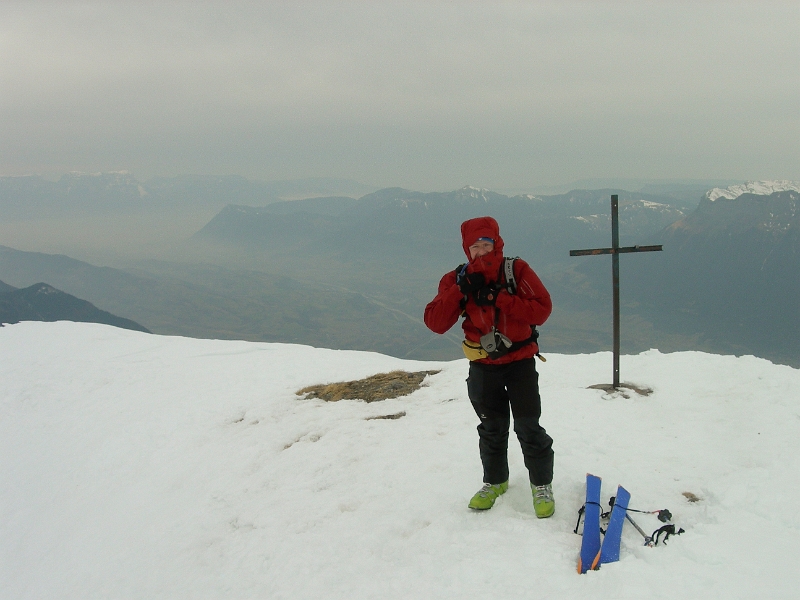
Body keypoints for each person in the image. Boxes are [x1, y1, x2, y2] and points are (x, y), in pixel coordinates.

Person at [424, 216, 555, 517]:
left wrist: (500, 298)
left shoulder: (515, 270)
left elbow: (542, 310)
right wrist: (461, 289)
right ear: (466, 249)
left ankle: (541, 485)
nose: (481, 251)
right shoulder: (456, 279)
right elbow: (435, 322)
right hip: (483, 366)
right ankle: (495, 482)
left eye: (487, 244)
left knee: (528, 426)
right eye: (475, 246)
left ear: (497, 244)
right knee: (491, 428)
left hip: (520, 364)